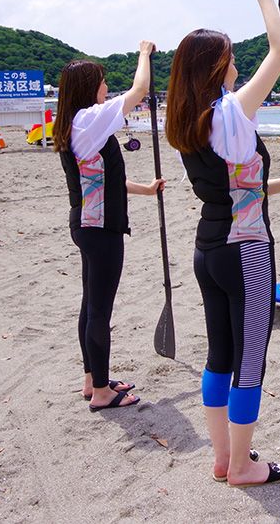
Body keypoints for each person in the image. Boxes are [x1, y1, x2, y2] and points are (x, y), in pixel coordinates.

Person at [166, 0, 280, 488]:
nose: (236, 65)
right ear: (215, 67)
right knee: (250, 359)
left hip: (208, 251)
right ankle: (242, 465)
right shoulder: (233, 111)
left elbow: (231, 190)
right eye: (230, 58)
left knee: (220, 355)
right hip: (247, 253)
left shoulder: (189, 119)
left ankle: (222, 457)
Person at [54, 41, 165, 411]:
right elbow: (140, 91)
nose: (106, 88)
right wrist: (144, 55)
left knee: (91, 304)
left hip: (87, 223)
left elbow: (98, 179)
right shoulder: (88, 118)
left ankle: (92, 379)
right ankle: (102, 392)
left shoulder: (77, 123)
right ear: (89, 87)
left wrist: (144, 190)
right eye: (102, 81)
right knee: (100, 308)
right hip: (99, 229)